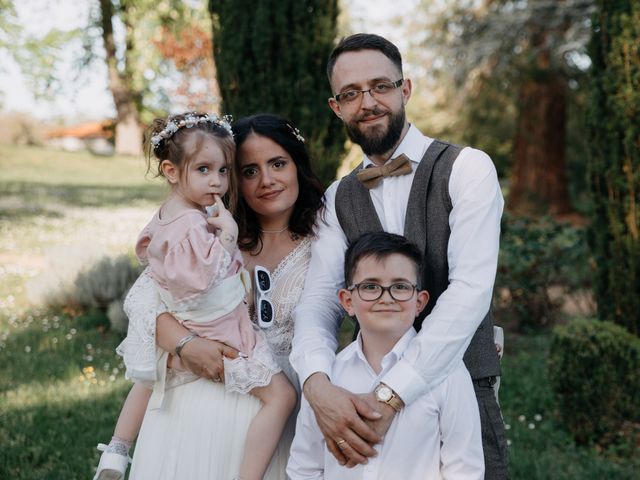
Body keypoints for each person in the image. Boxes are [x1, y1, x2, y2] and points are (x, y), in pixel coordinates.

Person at [290, 33, 508, 478]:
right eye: (351, 94)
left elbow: (470, 290)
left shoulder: (468, 168)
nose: (367, 102)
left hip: (459, 382)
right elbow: (318, 302)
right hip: (358, 386)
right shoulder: (338, 198)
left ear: (404, 89)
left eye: (380, 86)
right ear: (337, 108)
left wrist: (393, 393)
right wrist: (316, 384)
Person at [114, 113, 324, 480]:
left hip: (279, 407)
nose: (267, 180)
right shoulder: (207, 233)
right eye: (249, 171)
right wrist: (186, 344)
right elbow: (144, 304)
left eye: (277, 164)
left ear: (297, 165)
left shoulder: (324, 242)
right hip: (196, 397)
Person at [287, 232, 484, 479]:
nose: (386, 297)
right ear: (347, 301)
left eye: (400, 286)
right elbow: (305, 468)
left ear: (420, 301)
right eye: (370, 286)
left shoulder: (449, 374)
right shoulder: (326, 379)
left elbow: (465, 470)